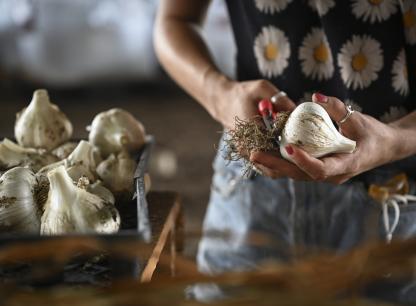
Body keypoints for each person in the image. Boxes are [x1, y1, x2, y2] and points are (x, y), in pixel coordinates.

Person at [154, 0, 416, 303]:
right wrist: (220, 94)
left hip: (397, 206)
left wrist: (395, 139)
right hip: (254, 185)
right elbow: (174, 21)